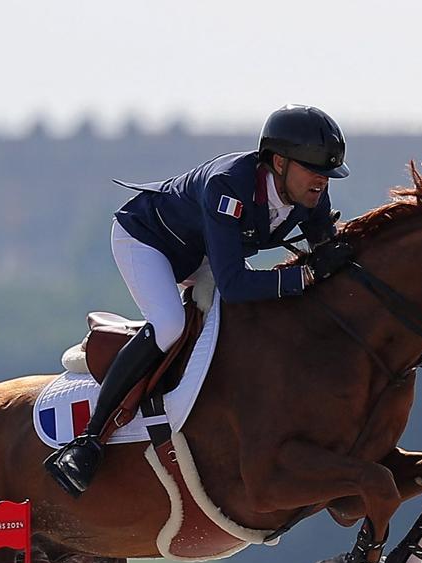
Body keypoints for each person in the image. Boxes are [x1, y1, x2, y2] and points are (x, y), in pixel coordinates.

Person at [44, 104, 353, 497]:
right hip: (147, 241)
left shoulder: (310, 196)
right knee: (170, 325)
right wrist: (307, 274)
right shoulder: (228, 186)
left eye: (327, 174)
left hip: (204, 252)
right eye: (314, 170)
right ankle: (88, 440)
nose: (322, 182)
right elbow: (237, 284)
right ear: (279, 162)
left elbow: (328, 256)